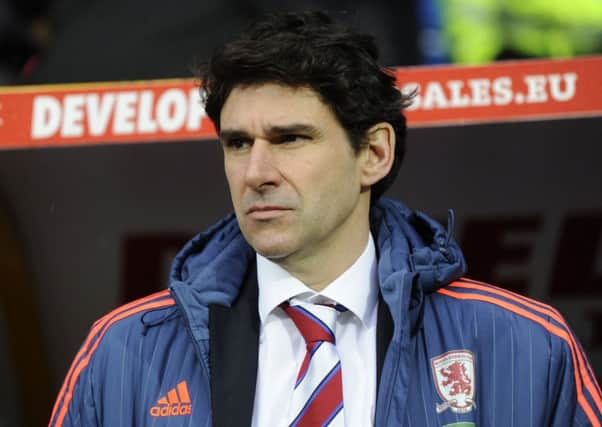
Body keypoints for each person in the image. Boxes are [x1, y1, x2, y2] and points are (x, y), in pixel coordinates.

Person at [49, 11, 601, 427]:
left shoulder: (525, 346)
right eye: (238, 143)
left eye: (290, 139)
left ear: (374, 154)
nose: (256, 172)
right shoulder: (122, 353)